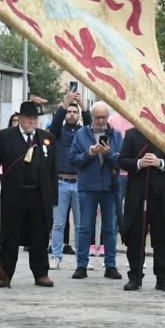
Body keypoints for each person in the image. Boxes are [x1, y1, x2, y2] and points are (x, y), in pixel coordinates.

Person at [0, 101, 57, 288]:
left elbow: (52, 170)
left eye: (34, 118)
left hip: (38, 195)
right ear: (20, 119)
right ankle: (5, 273)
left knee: (40, 234)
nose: (32, 121)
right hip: (15, 194)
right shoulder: (6, 136)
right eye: (28, 118)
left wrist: (52, 197)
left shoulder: (45, 138)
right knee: (10, 235)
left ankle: (41, 273)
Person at [118, 127, 165, 291]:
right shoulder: (132, 133)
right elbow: (122, 160)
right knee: (136, 236)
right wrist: (139, 163)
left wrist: (161, 163)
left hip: (162, 196)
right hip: (138, 195)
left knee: (162, 237)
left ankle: (163, 277)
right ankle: (135, 276)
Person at [70, 101, 124, 280]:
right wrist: (89, 153)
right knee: (85, 228)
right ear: (91, 117)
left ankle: (110, 265)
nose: (101, 121)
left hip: (110, 187)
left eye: (104, 117)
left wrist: (109, 154)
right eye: (98, 117)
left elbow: (122, 161)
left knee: (110, 228)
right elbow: (73, 159)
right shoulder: (81, 134)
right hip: (88, 187)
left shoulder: (115, 135)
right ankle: (81, 265)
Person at [49, 93, 91, 269]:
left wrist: (84, 106)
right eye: (70, 112)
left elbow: (92, 125)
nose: (72, 114)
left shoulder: (83, 132)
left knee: (81, 224)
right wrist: (65, 103)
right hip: (61, 182)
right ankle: (56, 256)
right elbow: (55, 123)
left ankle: (81, 259)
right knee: (58, 223)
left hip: (79, 182)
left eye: (76, 112)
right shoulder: (59, 132)